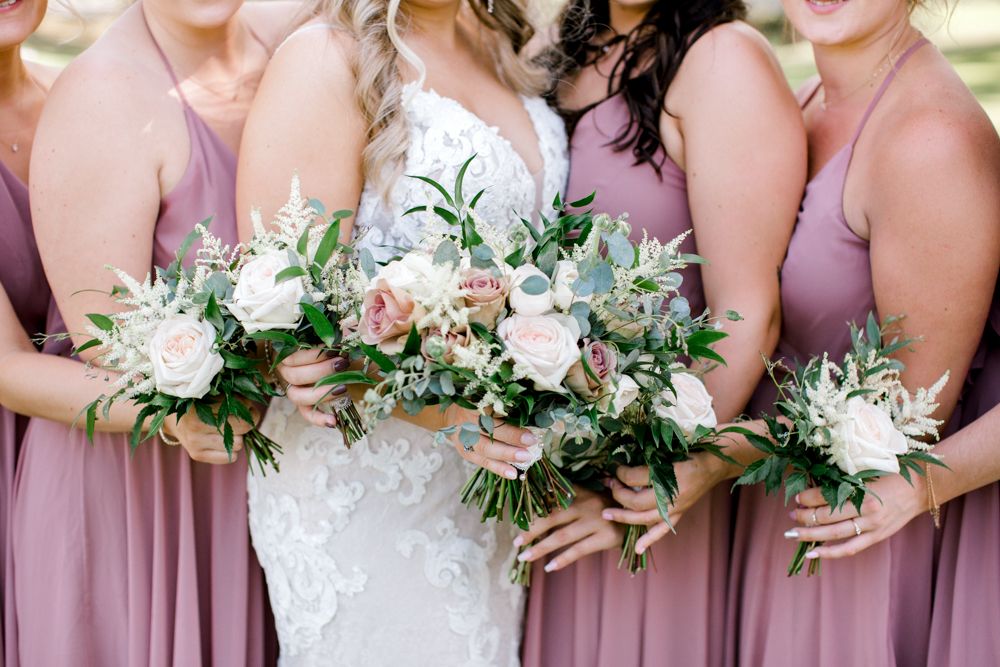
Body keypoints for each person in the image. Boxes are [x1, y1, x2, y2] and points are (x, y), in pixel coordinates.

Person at [235, 0, 568, 663]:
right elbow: (291, 331)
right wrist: (450, 417)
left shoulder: (506, 40)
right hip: (364, 490)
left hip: (486, 490)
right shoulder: (325, 59)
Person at [514, 2, 806, 665]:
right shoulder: (560, 43)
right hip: (551, 484)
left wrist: (644, 482)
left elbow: (747, 312)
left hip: (645, 495)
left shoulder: (723, 61)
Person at [15, 1, 299, 664]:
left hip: (271, 488)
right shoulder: (101, 97)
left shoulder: (291, 42)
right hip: (136, 494)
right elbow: (108, 343)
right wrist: (184, 414)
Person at [720, 0, 1000, 663]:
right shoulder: (805, 100)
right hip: (773, 513)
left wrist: (708, 455)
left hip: (855, 543)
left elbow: (902, 423)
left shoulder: (930, 140)